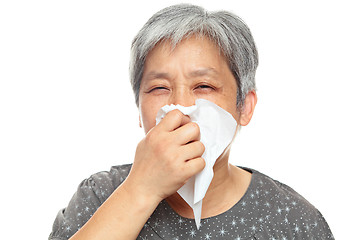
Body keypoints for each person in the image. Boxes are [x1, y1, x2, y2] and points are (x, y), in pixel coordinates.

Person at [49, 4, 333, 240]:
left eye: (204, 87)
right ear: (139, 110)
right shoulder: (99, 197)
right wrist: (141, 189)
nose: (182, 106)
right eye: (159, 88)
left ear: (244, 107)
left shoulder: (294, 221)